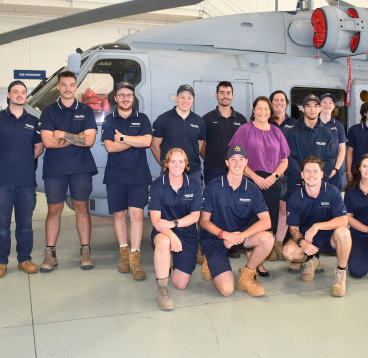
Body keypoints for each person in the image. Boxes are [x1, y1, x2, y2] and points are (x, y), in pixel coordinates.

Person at [0, 80, 44, 278]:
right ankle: (1, 262)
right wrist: (1, 163)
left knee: (25, 224)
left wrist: (24, 162)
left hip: (26, 182)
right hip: (2, 183)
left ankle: (24, 259)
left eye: (23, 92)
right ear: (8, 95)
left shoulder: (33, 121)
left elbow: (39, 147)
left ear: (26, 96)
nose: (19, 95)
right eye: (15, 92)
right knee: (2, 225)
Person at [38, 71, 98, 271]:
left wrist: (62, 135)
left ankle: (85, 252)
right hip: (55, 170)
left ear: (75, 87)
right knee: (54, 210)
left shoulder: (86, 111)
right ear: (58, 87)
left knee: (82, 208)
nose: (67, 88)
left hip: (81, 168)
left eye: (71, 85)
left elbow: (89, 141)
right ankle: (50, 254)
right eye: (64, 85)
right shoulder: (49, 112)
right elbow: (48, 142)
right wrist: (76, 137)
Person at [199, 145, 273, 297]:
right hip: (215, 237)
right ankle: (210, 259)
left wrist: (240, 236)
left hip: (239, 236)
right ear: (227, 162)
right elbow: (204, 222)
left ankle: (246, 277)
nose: (237, 163)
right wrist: (225, 235)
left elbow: (266, 222)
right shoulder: (213, 186)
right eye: (233, 159)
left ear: (246, 162)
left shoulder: (252, 189)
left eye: (241, 159)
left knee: (267, 239)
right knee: (226, 290)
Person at [229, 96, 290, 276]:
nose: (263, 112)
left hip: (272, 183)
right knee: (251, 223)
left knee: (267, 224)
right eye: (259, 108)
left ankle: (258, 261)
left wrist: (274, 177)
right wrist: (255, 177)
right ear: (253, 110)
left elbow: (284, 160)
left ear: (270, 112)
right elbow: (236, 158)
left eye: (266, 109)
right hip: (249, 181)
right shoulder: (244, 130)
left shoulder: (277, 132)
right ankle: (252, 265)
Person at [101, 82, 152, 280]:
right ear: (115, 98)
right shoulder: (108, 120)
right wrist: (133, 141)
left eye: (128, 95)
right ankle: (124, 254)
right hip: (115, 176)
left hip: (139, 176)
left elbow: (147, 142)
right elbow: (109, 148)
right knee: (120, 215)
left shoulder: (143, 118)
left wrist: (121, 138)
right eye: (121, 95)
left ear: (133, 98)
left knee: (137, 215)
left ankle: (135, 257)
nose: (125, 98)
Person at [282, 156, 351, 296]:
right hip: (309, 239)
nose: (311, 175)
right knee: (288, 252)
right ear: (302, 175)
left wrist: (318, 226)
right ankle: (311, 259)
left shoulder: (332, 192)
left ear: (321, 174)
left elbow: (344, 220)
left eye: (315, 171)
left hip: (331, 238)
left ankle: (340, 274)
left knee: (344, 233)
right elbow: (293, 228)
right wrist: (302, 243)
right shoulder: (295, 198)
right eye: (307, 171)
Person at [284, 94, 336, 271]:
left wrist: (319, 179)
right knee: (296, 220)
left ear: (320, 109)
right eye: (309, 106)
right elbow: (288, 158)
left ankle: (314, 257)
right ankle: (297, 257)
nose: (312, 109)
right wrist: (303, 178)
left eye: (316, 106)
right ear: (303, 109)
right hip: (297, 183)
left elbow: (330, 159)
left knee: (317, 219)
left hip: (318, 185)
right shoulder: (292, 132)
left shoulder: (326, 133)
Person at [149, 148, 203, 310]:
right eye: (173, 161)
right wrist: (172, 235)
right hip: (163, 230)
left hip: (186, 232)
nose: (177, 165)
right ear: (167, 164)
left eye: (181, 161)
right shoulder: (158, 184)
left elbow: (195, 217)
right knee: (164, 242)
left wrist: (173, 224)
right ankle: (162, 288)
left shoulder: (193, 185)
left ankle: (169, 262)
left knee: (180, 284)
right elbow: (155, 219)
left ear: (186, 164)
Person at [151, 84, 206, 185]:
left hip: (193, 173)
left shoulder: (199, 121)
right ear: (176, 98)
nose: (186, 100)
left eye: (189, 98)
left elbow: (199, 146)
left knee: (194, 201)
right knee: (168, 201)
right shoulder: (163, 119)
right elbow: (154, 146)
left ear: (193, 99)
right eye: (182, 97)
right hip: (169, 173)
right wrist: (166, 165)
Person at [201, 81, 247, 184]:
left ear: (232, 96)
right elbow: (200, 145)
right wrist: (210, 158)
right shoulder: (206, 119)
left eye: (228, 93)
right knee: (213, 199)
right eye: (221, 93)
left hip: (236, 169)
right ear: (216, 95)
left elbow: (245, 146)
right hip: (213, 170)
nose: (225, 96)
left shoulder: (241, 119)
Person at [270, 90, 297, 262]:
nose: (279, 103)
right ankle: (269, 244)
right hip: (268, 174)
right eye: (276, 100)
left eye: (282, 100)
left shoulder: (295, 123)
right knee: (267, 209)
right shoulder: (265, 122)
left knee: (283, 209)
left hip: (288, 173)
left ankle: (279, 244)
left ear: (286, 103)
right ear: (271, 103)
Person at [319, 93, 347, 190]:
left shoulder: (338, 125)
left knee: (334, 200)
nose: (327, 105)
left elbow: (342, 150)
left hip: (334, 172)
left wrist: (336, 169)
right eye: (324, 102)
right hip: (316, 172)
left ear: (334, 106)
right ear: (319, 105)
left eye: (330, 103)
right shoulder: (314, 124)